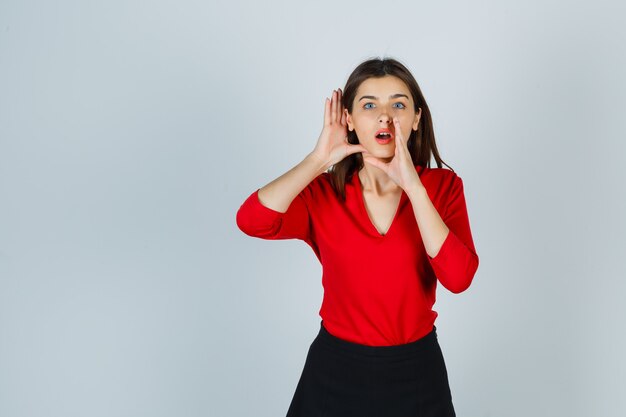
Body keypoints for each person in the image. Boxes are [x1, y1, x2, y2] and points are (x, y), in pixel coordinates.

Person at [236, 57, 479, 417]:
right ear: (348, 119)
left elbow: (458, 279)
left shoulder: (442, 188)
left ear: (416, 119)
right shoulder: (323, 193)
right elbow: (252, 221)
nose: (385, 115)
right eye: (369, 105)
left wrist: (412, 185)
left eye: (399, 104)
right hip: (335, 371)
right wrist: (318, 159)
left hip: (417, 372)